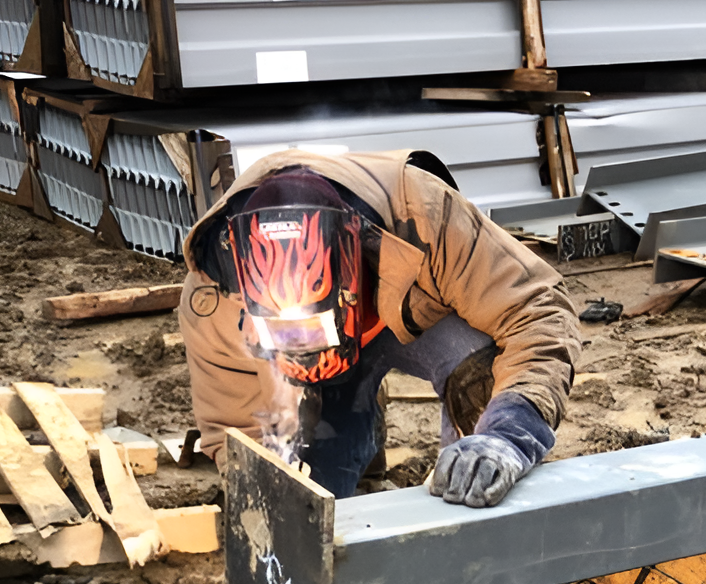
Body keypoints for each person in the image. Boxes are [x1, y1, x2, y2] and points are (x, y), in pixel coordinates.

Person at [178, 147, 580, 506]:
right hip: (323, 361)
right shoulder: (213, 297)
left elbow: (538, 309)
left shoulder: (422, 213)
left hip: (417, 315)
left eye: (311, 331)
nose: (300, 341)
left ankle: (478, 507)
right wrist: (266, 492)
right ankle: (357, 449)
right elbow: (238, 425)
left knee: (479, 371)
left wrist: (508, 434)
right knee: (307, 489)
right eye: (283, 334)